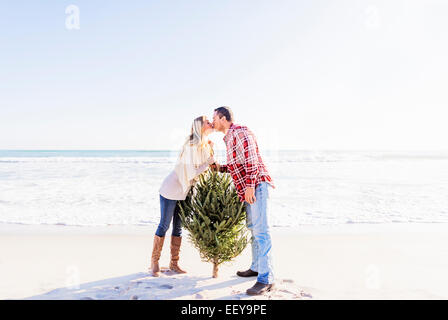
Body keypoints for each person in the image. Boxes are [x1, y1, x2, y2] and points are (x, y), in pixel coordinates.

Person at [212, 106, 276, 296]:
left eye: (214, 117)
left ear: (223, 118)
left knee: (261, 231)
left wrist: (249, 186)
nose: (212, 121)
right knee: (253, 229)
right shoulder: (229, 138)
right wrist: (218, 168)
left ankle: (266, 279)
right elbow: (236, 166)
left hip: (256, 185)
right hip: (250, 186)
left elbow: (252, 160)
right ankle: (256, 267)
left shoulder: (240, 132)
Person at [149, 116, 215, 277]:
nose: (211, 123)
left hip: (185, 191)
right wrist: (208, 163)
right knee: (164, 225)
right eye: (207, 122)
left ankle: (174, 263)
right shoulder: (191, 144)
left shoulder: (205, 145)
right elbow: (190, 173)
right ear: (200, 126)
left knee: (178, 227)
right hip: (171, 189)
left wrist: (210, 153)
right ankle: (154, 262)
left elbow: (207, 165)